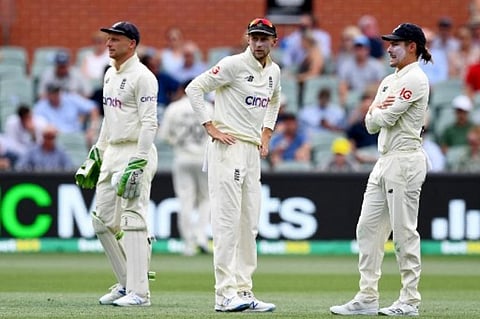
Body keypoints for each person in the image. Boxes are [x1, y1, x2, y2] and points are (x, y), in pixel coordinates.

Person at [330, 23, 432, 316]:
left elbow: (384, 118)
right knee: (367, 229)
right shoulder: (389, 80)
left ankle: (409, 300)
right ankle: (366, 297)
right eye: (389, 42)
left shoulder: (416, 79)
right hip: (384, 160)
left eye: (396, 43)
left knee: (403, 233)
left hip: (405, 159)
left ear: (412, 46)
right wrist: (376, 112)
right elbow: (370, 122)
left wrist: (377, 112)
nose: (389, 47)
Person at [185, 17, 280, 313]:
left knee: (248, 224)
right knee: (226, 224)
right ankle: (224, 294)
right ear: (248, 39)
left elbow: (274, 101)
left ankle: (243, 289)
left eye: (264, 38)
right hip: (228, 148)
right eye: (254, 38)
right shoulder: (232, 65)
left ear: (273, 42)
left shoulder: (274, 72)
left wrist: (266, 133)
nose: (259, 43)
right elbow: (194, 88)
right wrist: (209, 126)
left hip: (252, 151)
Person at [75, 21, 158, 307]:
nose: (108, 44)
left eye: (115, 39)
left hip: (136, 151)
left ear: (131, 44)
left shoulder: (143, 77)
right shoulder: (110, 74)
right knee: (102, 221)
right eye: (108, 39)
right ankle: (126, 283)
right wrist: (96, 154)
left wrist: (139, 159)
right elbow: (109, 120)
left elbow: (150, 122)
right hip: (112, 152)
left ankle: (140, 293)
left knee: (132, 219)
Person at [158, 80, 212, 256]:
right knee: (207, 199)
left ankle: (189, 243)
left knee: (185, 200)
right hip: (204, 158)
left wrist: (178, 143)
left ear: (182, 89)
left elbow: (164, 135)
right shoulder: (209, 107)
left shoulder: (173, 108)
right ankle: (201, 237)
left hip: (182, 157)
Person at [33, 83, 100, 146]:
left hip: (76, 137)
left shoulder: (70, 99)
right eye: (53, 93)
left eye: (57, 92)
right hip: (56, 141)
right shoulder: (40, 107)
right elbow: (36, 125)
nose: (55, 96)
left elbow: (93, 108)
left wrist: (92, 129)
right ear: (48, 95)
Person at [337, 34, 386, 107]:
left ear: (367, 49)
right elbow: (343, 85)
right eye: (357, 48)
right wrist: (344, 101)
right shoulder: (346, 65)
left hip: (371, 97)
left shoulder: (376, 65)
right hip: (354, 99)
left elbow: (381, 85)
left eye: (362, 48)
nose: (359, 51)